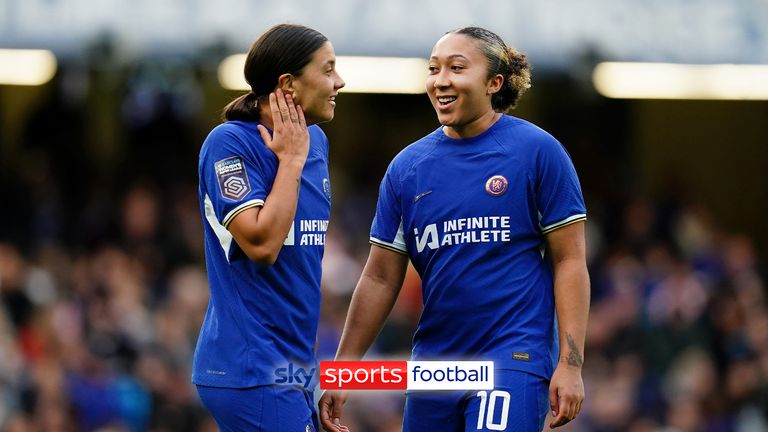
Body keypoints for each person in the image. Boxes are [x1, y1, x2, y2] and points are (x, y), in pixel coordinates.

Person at [319, 27, 589, 431]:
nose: (440, 80)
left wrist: (570, 365)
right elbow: (378, 278)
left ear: (494, 82)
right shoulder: (407, 169)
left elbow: (570, 261)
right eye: (434, 68)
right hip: (436, 363)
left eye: (457, 68)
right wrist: (344, 370)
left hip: (511, 357)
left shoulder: (537, 152)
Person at [192, 23, 345, 432]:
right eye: (328, 70)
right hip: (248, 366)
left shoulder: (317, 142)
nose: (340, 81)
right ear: (287, 84)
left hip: (289, 369)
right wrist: (291, 161)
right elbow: (261, 245)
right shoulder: (230, 143)